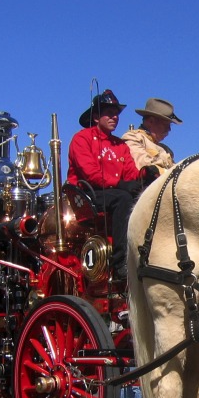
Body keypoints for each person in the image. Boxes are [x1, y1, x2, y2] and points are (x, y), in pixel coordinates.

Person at [66, 90, 142, 280]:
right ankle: (120, 263)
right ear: (96, 116)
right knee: (124, 198)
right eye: (109, 113)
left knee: (141, 199)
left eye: (116, 114)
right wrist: (121, 184)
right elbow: (90, 174)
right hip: (87, 195)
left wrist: (145, 175)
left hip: (113, 194)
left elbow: (131, 173)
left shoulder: (120, 145)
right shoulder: (81, 138)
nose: (114, 117)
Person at [122, 97, 180, 181]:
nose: (169, 129)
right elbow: (143, 165)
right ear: (151, 122)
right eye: (166, 125)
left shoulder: (166, 149)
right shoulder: (133, 138)